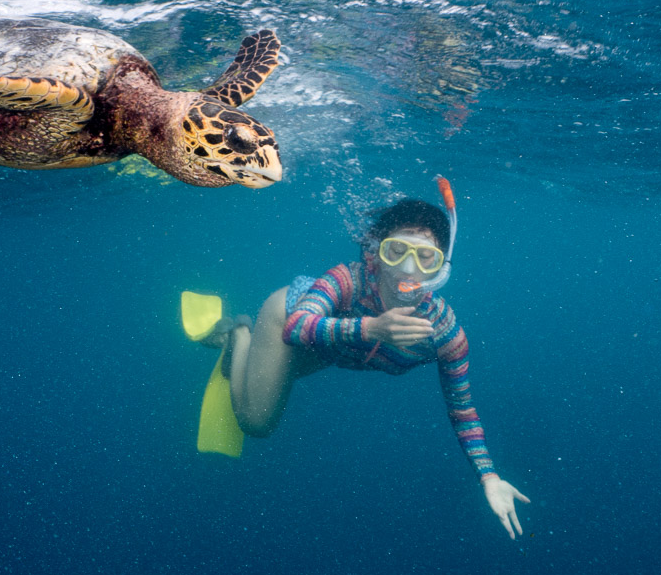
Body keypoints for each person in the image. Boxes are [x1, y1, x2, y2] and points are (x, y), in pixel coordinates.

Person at [202, 180, 529, 538]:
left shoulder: (446, 335)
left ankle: (250, 355)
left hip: (329, 348)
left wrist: (489, 476)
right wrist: (371, 329)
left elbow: (462, 410)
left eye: (425, 257)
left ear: (441, 269)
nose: (408, 269)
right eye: (396, 251)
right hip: (290, 318)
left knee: (281, 377)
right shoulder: (349, 279)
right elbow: (297, 326)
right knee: (257, 424)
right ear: (376, 253)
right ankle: (240, 334)